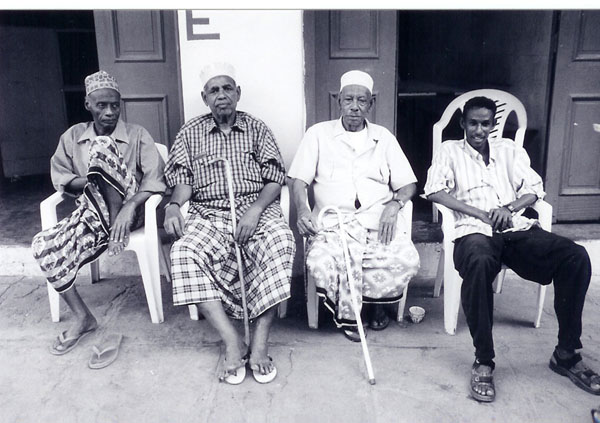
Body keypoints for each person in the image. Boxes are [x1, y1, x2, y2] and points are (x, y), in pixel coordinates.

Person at [424, 96, 599, 402]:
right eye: (473, 123)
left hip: (514, 229)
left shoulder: (509, 149)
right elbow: (434, 190)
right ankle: (484, 360)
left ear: (493, 125)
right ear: (463, 123)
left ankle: (567, 353)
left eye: (486, 124)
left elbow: (534, 188)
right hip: (473, 231)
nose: (479, 130)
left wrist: (510, 207)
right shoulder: (449, 150)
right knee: (478, 262)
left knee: (575, 256)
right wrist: (478, 213)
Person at [164, 63, 294, 384]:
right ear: (204, 97)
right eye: (213, 90)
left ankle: (260, 344)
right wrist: (173, 205)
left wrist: (255, 211)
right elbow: (183, 181)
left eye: (227, 88)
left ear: (238, 93)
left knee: (281, 241)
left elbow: (275, 178)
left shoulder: (256, 128)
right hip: (209, 213)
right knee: (183, 252)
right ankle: (232, 340)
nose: (221, 95)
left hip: (256, 210)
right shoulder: (190, 132)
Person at [32, 70, 166, 355]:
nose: (109, 112)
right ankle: (83, 317)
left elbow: (155, 182)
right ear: (87, 105)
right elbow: (62, 178)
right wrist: (97, 180)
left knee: (102, 147)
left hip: (131, 212)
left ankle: (114, 221)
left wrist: (128, 206)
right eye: (101, 105)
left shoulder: (137, 134)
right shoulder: (72, 137)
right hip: (91, 212)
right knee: (42, 245)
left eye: (115, 105)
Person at [288, 70, 420, 342]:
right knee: (321, 259)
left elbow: (408, 185)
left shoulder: (383, 138)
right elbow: (298, 180)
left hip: (376, 219)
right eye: (349, 99)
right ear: (338, 101)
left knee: (404, 257)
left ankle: (376, 305)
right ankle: (352, 311)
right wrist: (302, 208)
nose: (355, 106)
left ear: (370, 104)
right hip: (334, 222)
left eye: (362, 100)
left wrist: (394, 205)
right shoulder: (318, 134)